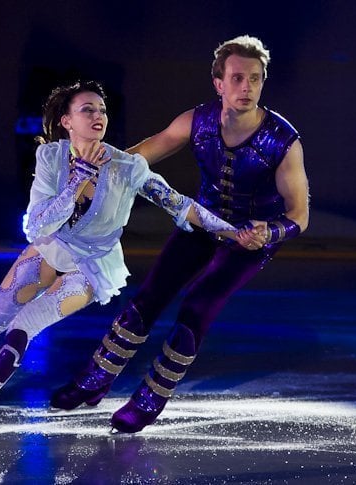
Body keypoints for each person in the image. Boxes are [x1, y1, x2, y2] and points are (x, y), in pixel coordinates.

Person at [0, 80, 250, 446]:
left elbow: (180, 204)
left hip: (90, 266)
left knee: (23, 326)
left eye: (102, 110)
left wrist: (233, 232)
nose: (98, 116)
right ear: (66, 121)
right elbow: (37, 225)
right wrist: (77, 182)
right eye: (87, 109)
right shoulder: (51, 158)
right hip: (49, 248)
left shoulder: (128, 167)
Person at [50, 35, 310, 433]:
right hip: (202, 223)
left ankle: (152, 396)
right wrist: (97, 164)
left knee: (197, 306)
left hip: (248, 239)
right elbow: (143, 153)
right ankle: (95, 378)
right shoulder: (197, 119)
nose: (247, 88)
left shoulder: (282, 140)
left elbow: (300, 215)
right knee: (150, 296)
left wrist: (270, 231)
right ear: (218, 83)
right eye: (238, 78)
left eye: (255, 79)